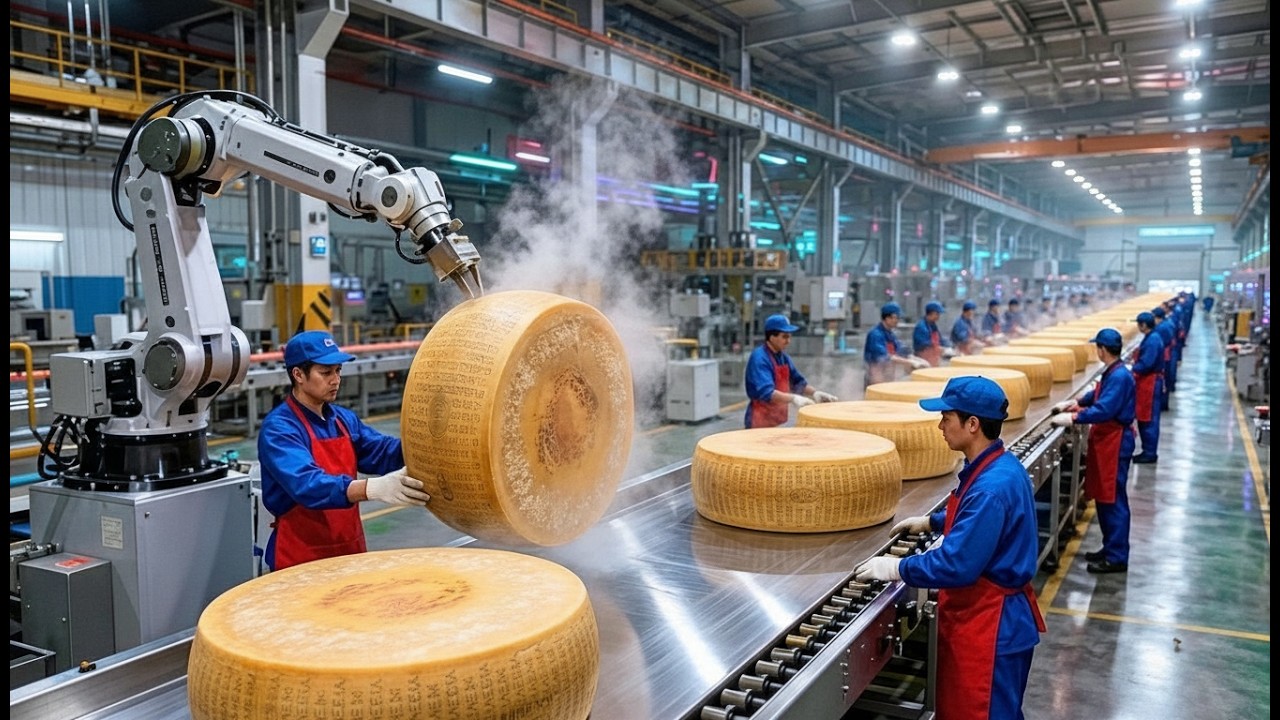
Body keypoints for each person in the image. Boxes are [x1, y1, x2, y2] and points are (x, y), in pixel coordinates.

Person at [855, 376, 1045, 719]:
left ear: (972, 424)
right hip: (987, 621)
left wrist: (897, 568)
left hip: (989, 629)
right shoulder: (995, 466)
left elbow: (957, 564)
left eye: (947, 417)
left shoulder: (991, 486)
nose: (940, 425)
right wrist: (935, 523)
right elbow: (980, 520)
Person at [258, 330, 430, 571]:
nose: (335, 379)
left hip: (348, 552)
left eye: (338, 371)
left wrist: (428, 446)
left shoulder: (342, 420)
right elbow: (308, 484)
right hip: (301, 558)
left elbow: (381, 452)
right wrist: (371, 488)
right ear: (298, 374)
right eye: (325, 372)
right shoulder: (280, 429)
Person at [1050, 328, 1135, 574]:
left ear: (1102, 350)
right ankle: (1110, 548)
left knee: (1114, 501)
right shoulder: (1114, 371)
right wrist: (1077, 403)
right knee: (1106, 500)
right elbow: (1098, 395)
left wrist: (1073, 418)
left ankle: (1117, 556)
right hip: (1107, 441)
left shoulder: (1119, 376)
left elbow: (1105, 409)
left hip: (1115, 444)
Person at [744, 314, 838, 428]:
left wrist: (814, 393)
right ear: (772, 337)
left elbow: (797, 382)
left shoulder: (782, 357)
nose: (788, 341)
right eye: (784, 337)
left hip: (775, 419)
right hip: (758, 421)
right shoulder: (759, 358)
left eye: (789, 337)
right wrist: (793, 398)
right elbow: (767, 392)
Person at [864, 302, 929, 386]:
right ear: (887, 318)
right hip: (875, 378)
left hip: (888, 376)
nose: (897, 321)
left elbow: (900, 350)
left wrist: (914, 358)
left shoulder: (890, 334)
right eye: (896, 318)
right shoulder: (875, 335)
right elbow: (884, 357)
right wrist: (909, 362)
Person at [1129, 312, 1164, 463]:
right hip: (1148, 381)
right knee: (1146, 418)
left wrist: (1131, 369)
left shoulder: (1153, 340)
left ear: (1143, 325)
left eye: (1139, 324)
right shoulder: (1152, 337)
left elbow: (1146, 364)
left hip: (1149, 383)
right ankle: (1148, 450)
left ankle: (1149, 453)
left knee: (1148, 419)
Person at [912, 301, 954, 367]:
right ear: (931, 313)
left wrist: (949, 346)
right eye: (937, 314)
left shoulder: (933, 325)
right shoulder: (921, 327)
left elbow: (940, 340)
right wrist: (943, 349)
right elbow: (926, 346)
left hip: (934, 359)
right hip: (924, 360)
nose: (939, 316)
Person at [1152, 306, 1176, 410]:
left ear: (1158, 318)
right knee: (1166, 380)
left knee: (1163, 382)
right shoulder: (1167, 324)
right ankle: (1164, 403)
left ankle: (1163, 404)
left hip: (1164, 357)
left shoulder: (1161, 328)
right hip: (1168, 355)